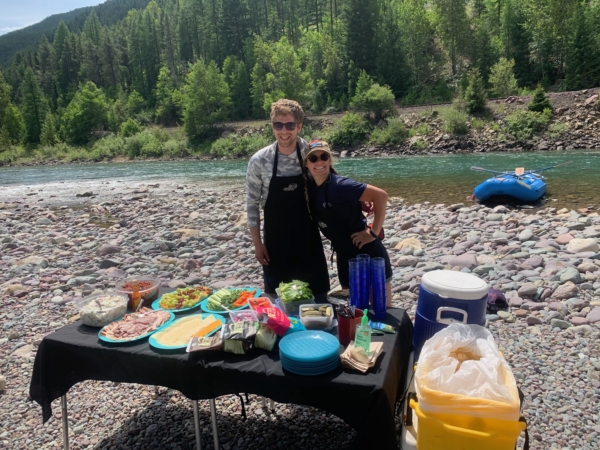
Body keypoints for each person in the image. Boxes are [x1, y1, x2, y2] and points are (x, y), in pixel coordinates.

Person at [246, 99, 330, 299]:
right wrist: (258, 244)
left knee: (317, 299)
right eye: (278, 125)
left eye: (290, 125)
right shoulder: (259, 160)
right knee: (278, 303)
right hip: (276, 242)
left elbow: (330, 184)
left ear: (299, 126)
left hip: (308, 238)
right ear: (272, 127)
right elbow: (252, 205)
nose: (284, 131)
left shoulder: (312, 153)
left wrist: (359, 201)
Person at [303, 140, 393, 306]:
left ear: (330, 160)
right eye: (313, 159)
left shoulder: (340, 185)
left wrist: (373, 232)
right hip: (345, 258)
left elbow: (381, 196)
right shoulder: (309, 189)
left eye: (323, 157)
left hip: (369, 254)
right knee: (354, 315)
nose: (319, 162)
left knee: (382, 315)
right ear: (306, 164)